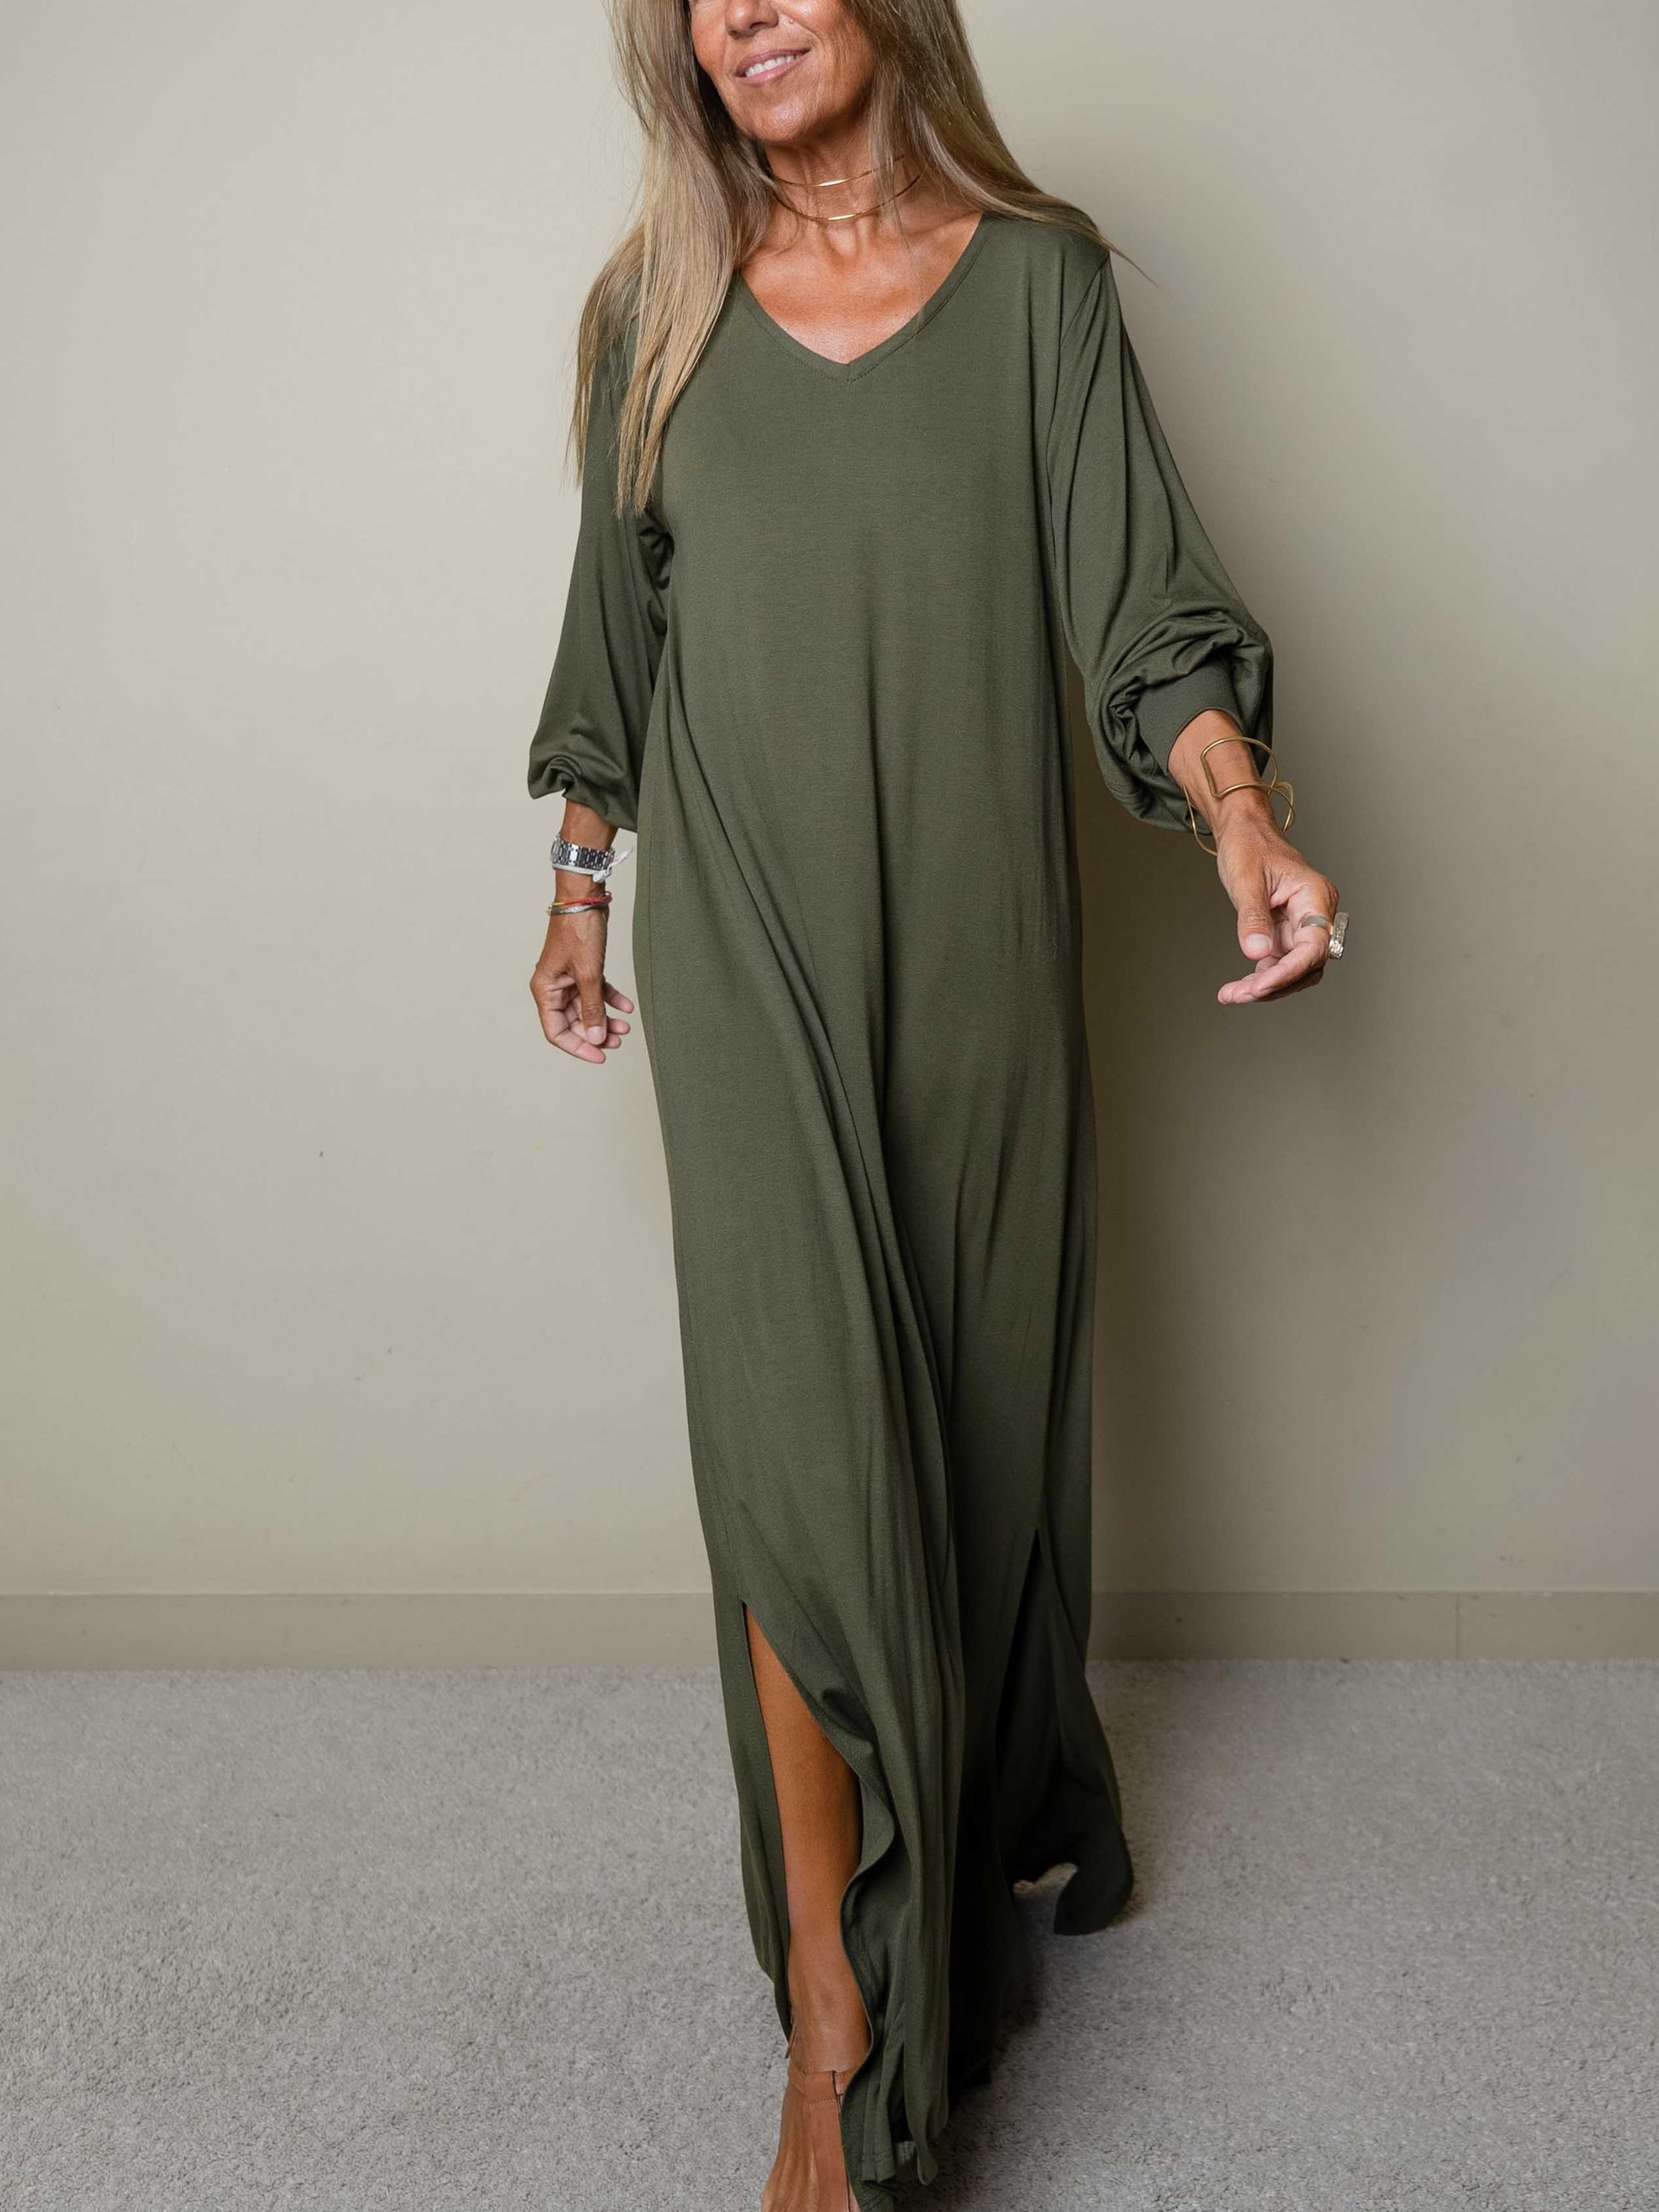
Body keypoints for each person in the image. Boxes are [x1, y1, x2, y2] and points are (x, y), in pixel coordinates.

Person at [526, 3, 1344, 2205]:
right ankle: (834, 2009)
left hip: (979, 954)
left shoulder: (1041, 292)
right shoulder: (649, 314)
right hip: (750, 955)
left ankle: (959, 1853)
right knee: (796, 1465)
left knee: (969, 1455)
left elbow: (1144, 613)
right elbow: (615, 630)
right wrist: (579, 887)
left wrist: (1244, 819)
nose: (745, 10)